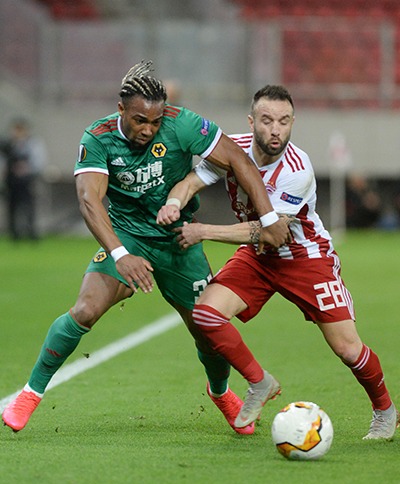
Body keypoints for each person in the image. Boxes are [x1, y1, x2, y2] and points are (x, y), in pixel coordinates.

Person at [2, 62, 289, 434]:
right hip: (127, 236)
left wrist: (268, 218)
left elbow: (238, 159)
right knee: (86, 309)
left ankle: (220, 392)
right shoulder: (98, 138)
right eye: (140, 120)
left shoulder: (182, 123)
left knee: (209, 330)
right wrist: (120, 255)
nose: (148, 129)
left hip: (179, 240)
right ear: (121, 109)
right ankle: (30, 393)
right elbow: (89, 201)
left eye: (155, 121)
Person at [157, 84, 399, 440]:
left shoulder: (297, 170)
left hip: (304, 257)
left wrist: (203, 230)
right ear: (251, 121)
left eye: (284, 121)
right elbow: (191, 182)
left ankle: (385, 411)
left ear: (292, 123)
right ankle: (259, 382)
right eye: (267, 120)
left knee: (348, 348)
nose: (276, 130)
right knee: (206, 315)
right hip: (258, 257)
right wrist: (174, 203)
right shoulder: (233, 149)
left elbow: (271, 233)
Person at [0, 118, 47, 240]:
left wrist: (26, 169)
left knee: (29, 207)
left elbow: (39, 161)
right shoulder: (7, 145)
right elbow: (3, 162)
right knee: (12, 208)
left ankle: (31, 232)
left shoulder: (33, 144)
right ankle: (14, 234)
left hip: (28, 181)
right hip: (11, 182)